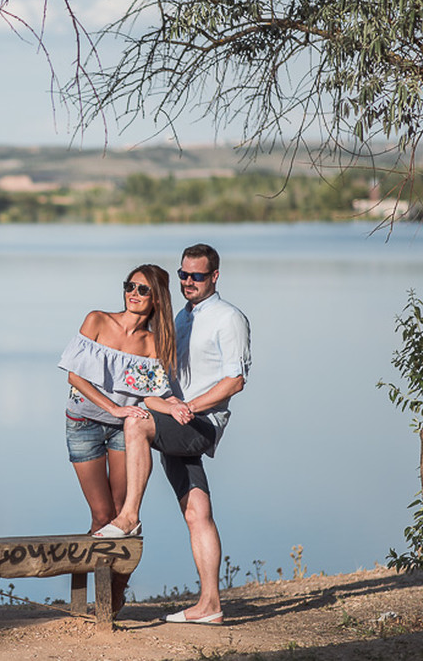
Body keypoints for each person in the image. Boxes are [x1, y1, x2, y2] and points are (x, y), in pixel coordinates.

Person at [94, 243, 250, 627]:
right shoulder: (181, 317)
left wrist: (188, 408)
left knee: (136, 423)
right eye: (183, 275)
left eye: (196, 276)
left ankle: (129, 515)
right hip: (177, 420)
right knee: (198, 512)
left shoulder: (228, 318)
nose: (188, 282)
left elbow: (236, 381)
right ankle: (210, 604)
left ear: (214, 276)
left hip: (199, 424)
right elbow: (161, 379)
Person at [57, 264, 177, 613]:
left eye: (142, 290)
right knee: (101, 515)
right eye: (130, 286)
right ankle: (101, 597)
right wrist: (115, 408)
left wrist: (177, 408)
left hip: (125, 431)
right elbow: (75, 378)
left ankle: (113, 598)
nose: (133, 294)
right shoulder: (97, 320)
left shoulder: (154, 343)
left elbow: (153, 395)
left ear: (157, 299)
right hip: (83, 423)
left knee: (124, 517)